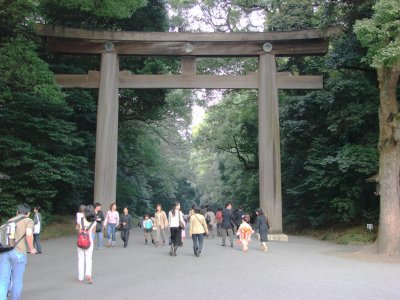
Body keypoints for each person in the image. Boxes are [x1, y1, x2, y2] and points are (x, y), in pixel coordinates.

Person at [0, 204, 36, 299]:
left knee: (3, 280)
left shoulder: (9, 221)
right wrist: (31, 248)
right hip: (18, 252)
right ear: (28, 213)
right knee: (17, 280)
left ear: (17, 212)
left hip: (4, 251)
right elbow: (29, 234)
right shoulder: (28, 220)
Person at [77, 205, 96, 284]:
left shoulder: (80, 220)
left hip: (80, 241)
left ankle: (80, 277)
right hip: (89, 241)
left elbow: (78, 230)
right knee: (89, 259)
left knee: (80, 258)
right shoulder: (94, 222)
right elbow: (93, 232)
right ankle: (88, 274)